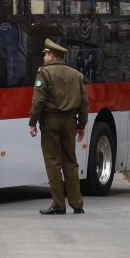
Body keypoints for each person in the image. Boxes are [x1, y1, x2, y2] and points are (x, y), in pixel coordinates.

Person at [28, 39, 88, 215]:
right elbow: (84, 103)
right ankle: (77, 204)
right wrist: (81, 125)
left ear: (52, 56)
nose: (44, 57)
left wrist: (32, 122)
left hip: (51, 122)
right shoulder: (76, 75)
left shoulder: (44, 73)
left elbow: (38, 101)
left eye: (46, 54)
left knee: (53, 162)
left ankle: (58, 204)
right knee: (70, 161)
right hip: (70, 122)